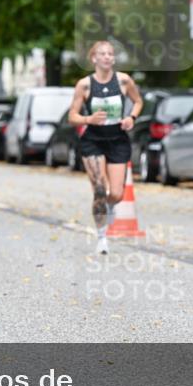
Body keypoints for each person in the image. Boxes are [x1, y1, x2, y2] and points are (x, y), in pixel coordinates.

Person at [66, 40, 144, 255]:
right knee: (100, 190)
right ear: (94, 58)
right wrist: (88, 118)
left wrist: (131, 117)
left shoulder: (124, 81)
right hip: (93, 140)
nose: (107, 57)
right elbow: (72, 116)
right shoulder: (85, 85)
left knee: (116, 194)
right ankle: (102, 236)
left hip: (117, 139)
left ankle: (109, 208)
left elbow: (138, 101)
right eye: (102, 54)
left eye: (110, 53)